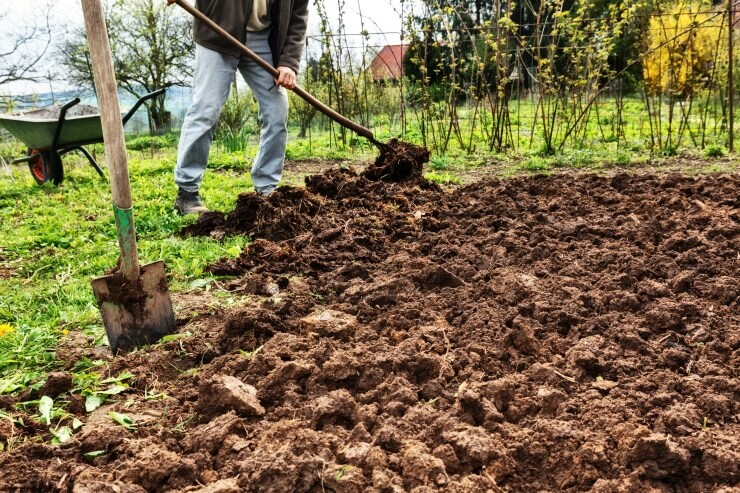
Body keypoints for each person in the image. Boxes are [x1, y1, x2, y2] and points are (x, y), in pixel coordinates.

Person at [169, 0, 309, 215]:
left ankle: (266, 190)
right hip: (218, 30)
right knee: (206, 109)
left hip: (264, 38)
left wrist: (288, 62)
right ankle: (187, 192)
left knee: (277, 111)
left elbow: (297, 17)